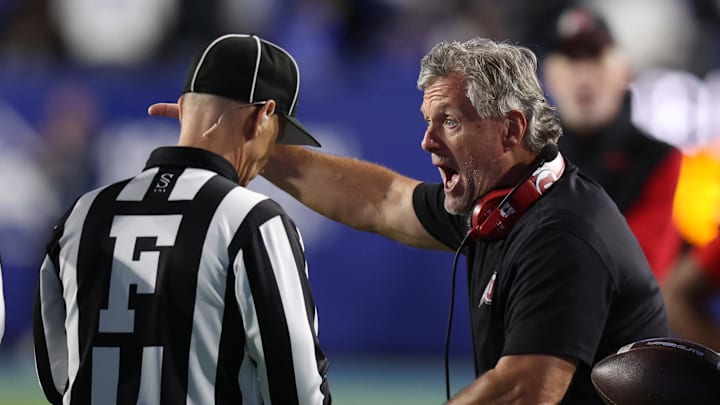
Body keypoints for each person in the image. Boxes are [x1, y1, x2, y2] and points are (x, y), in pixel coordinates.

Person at [148, 36, 670, 404]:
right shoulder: (502, 204)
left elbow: (525, 390)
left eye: (450, 122)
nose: (427, 142)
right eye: (427, 122)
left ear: (511, 129)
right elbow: (380, 201)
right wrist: (250, 143)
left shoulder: (563, 234)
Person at [34, 34, 330, 405]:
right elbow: (298, 389)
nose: (273, 153)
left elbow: (56, 374)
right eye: (279, 135)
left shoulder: (82, 213)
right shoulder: (254, 221)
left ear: (182, 108)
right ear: (262, 116)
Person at [541, 4, 683, 282]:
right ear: (550, 76)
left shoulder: (658, 159)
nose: (582, 76)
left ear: (623, 72)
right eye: (570, 59)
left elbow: (640, 271)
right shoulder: (528, 155)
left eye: (595, 57)